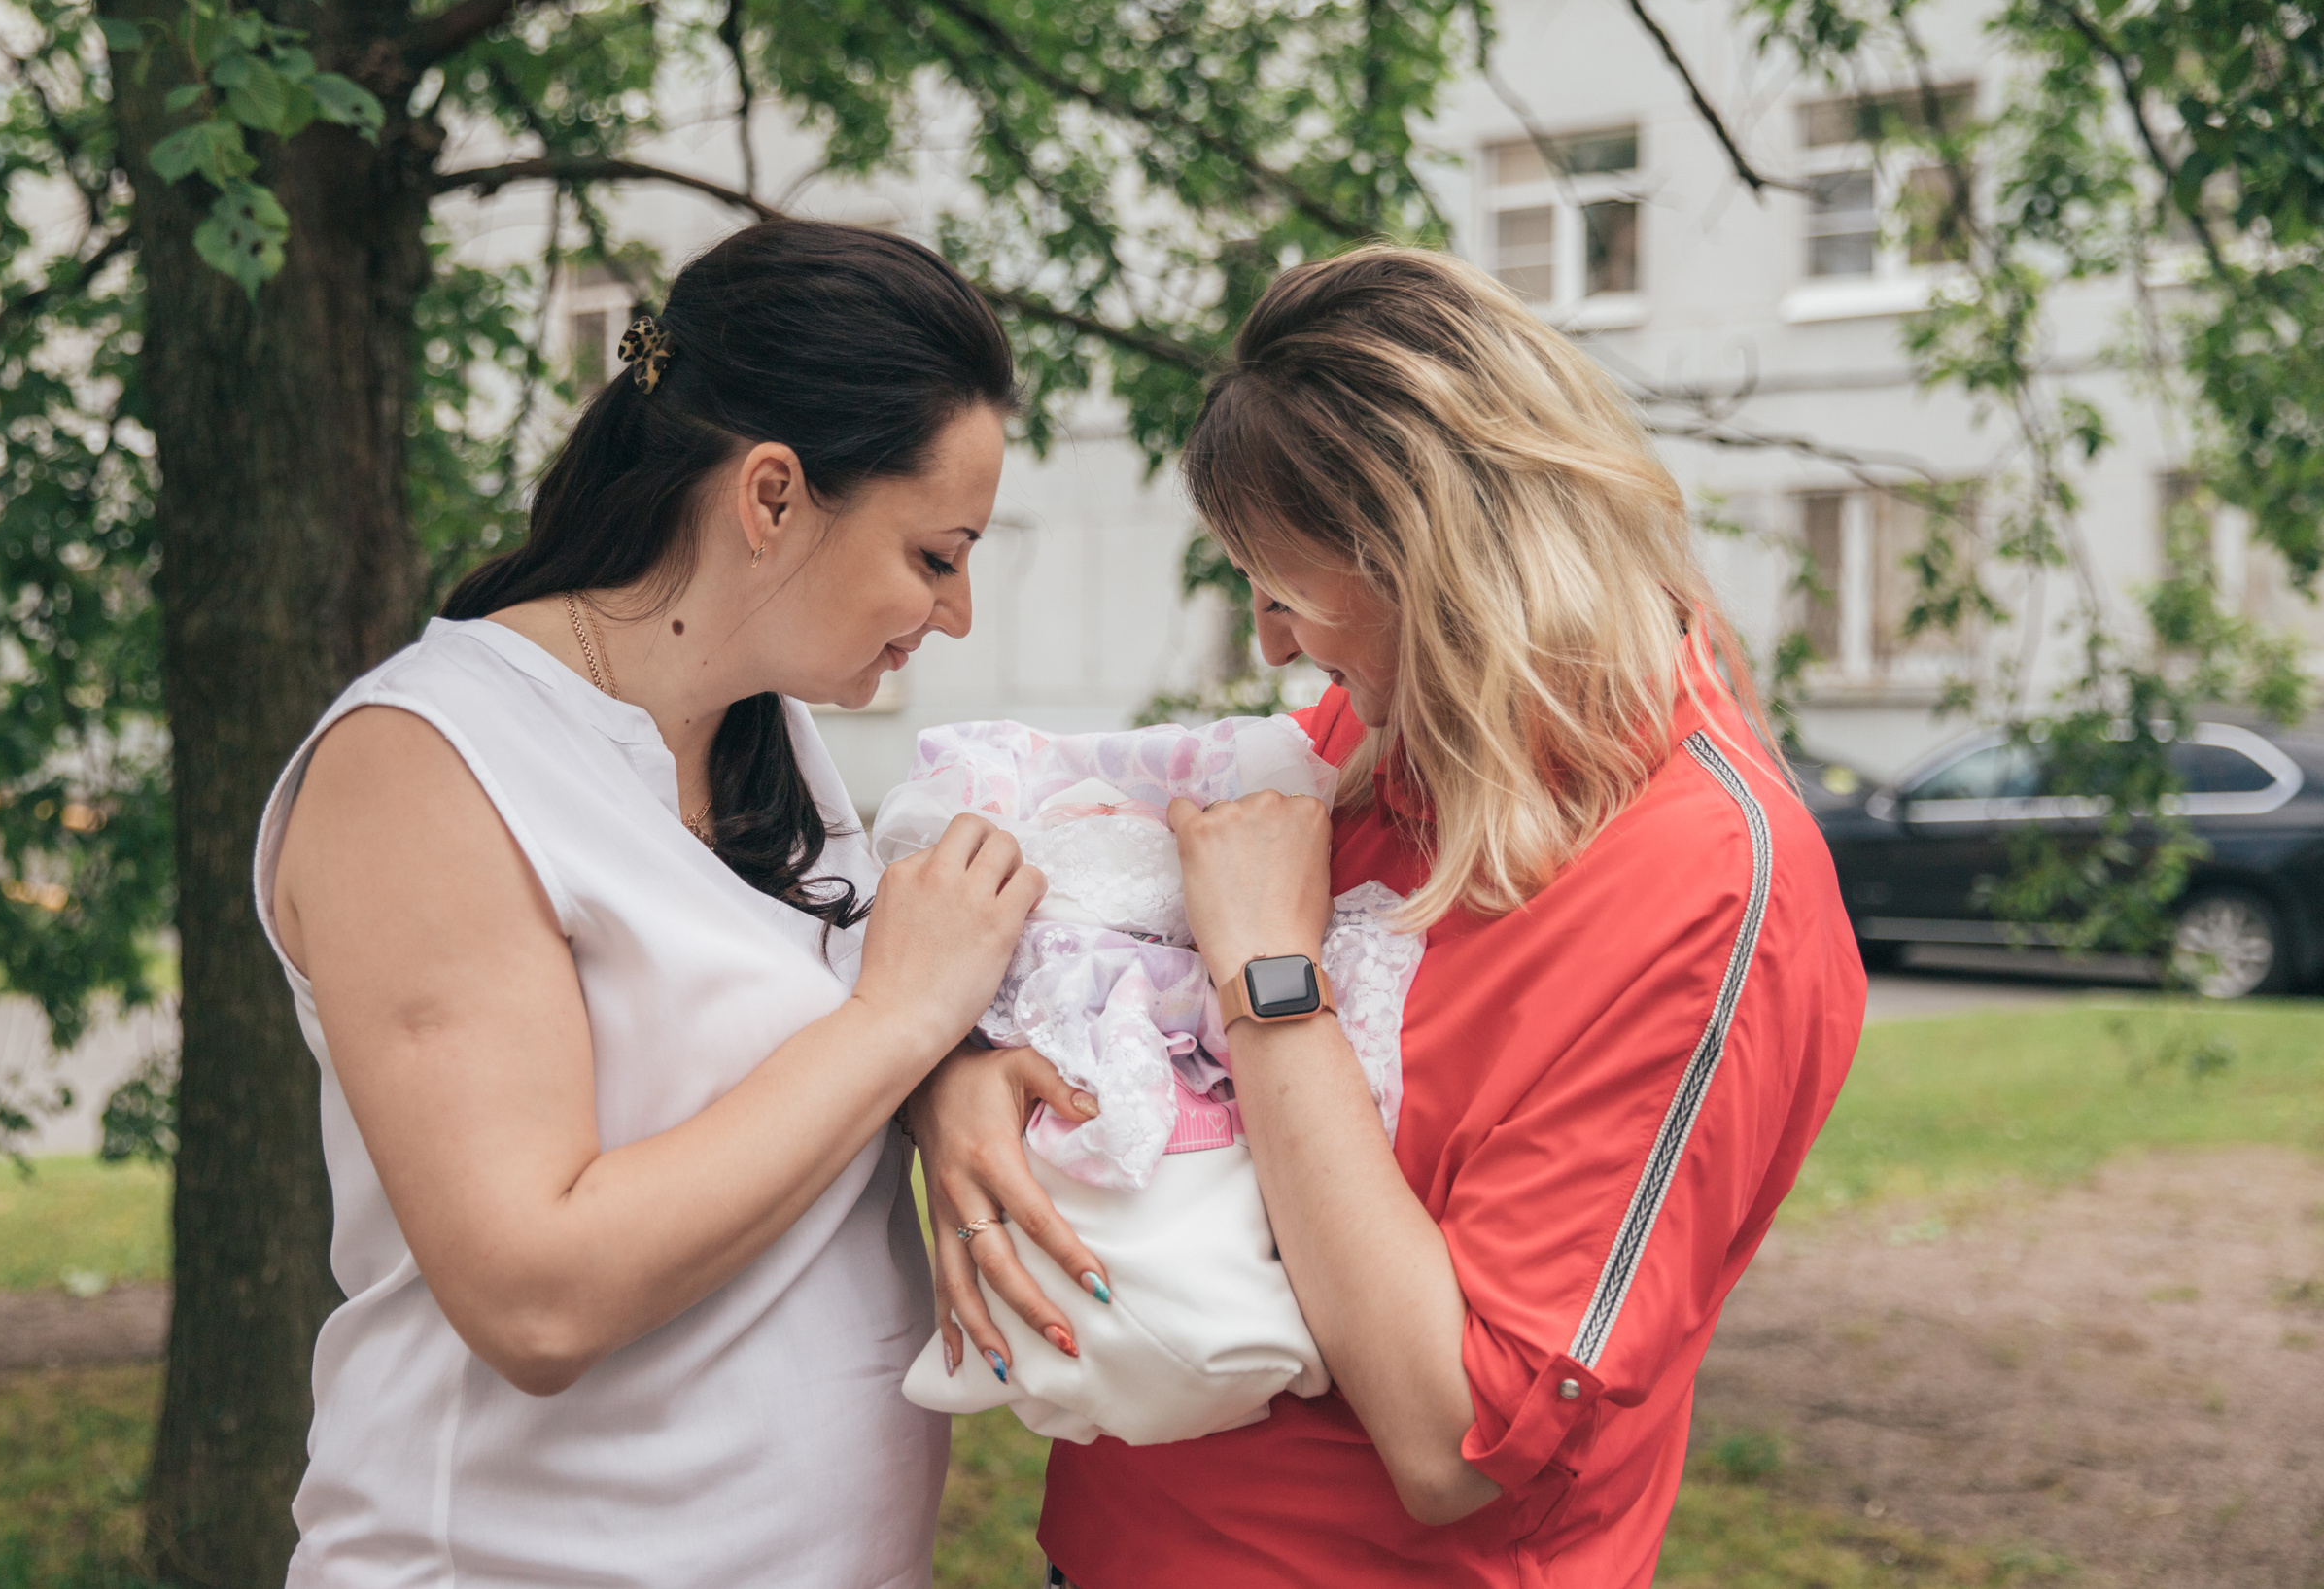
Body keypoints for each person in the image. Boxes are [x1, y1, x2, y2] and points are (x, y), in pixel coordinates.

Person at [908, 245, 1866, 1587]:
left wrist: (1270, 978)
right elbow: (1098, 976)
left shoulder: (1706, 885)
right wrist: (957, 1076)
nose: (1272, 645)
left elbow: (1452, 1438)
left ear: (1437, 564)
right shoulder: (1383, 736)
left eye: (1287, 591)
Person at [253, 220, 1051, 1587]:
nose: (958, 611)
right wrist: (904, 1023)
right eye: (936, 555)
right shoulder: (426, 762)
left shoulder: (764, 741)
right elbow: (535, 1295)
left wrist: (949, 1078)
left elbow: (800, 1074)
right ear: (772, 496)